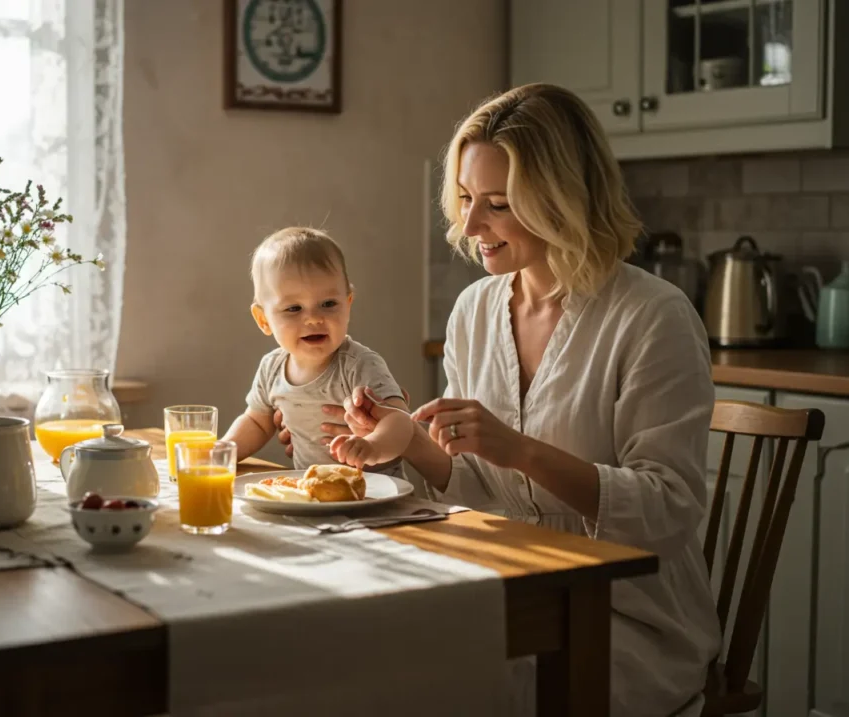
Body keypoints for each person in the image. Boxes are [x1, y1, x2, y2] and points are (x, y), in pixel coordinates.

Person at [275, 84, 721, 716]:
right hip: (506, 582)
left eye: (498, 204)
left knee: (423, 688)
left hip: (622, 612)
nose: (471, 226)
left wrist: (521, 450)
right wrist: (405, 442)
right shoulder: (476, 310)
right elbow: (473, 482)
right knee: (346, 655)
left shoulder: (653, 316)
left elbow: (670, 506)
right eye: (464, 200)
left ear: (561, 199)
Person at [222, 227, 412, 474]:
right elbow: (257, 423)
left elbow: (400, 421)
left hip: (376, 497)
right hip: (315, 494)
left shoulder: (358, 364)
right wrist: (222, 452)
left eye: (328, 304)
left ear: (348, 304)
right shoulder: (272, 368)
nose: (313, 319)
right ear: (263, 320)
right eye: (293, 309)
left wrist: (372, 446)